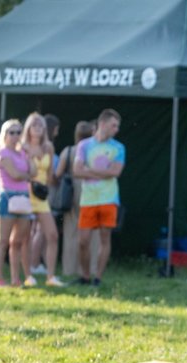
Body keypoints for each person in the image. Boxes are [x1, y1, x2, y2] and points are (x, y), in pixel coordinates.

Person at [73, 109, 125, 287]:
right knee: (83, 241)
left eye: (117, 126)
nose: (116, 129)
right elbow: (77, 170)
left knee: (105, 238)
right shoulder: (84, 145)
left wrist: (89, 170)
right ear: (102, 124)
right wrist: (104, 172)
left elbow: (115, 172)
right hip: (88, 200)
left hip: (109, 199)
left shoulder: (118, 148)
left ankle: (98, 277)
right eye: (113, 125)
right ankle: (85, 275)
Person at [21, 112, 62, 287]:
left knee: (52, 234)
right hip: (26, 193)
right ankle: (28, 275)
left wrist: (47, 189)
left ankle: (50, 276)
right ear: (28, 128)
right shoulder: (22, 147)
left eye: (40, 125)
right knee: (25, 237)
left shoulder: (48, 147)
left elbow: (51, 174)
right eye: (34, 125)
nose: (37, 128)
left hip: (42, 196)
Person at [0, 119, 34, 288]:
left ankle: (15, 279)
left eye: (18, 132)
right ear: (4, 135)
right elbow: (15, 174)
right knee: (3, 240)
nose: (16, 136)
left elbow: (34, 171)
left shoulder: (22, 153)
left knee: (17, 242)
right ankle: (0, 279)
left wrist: (29, 155)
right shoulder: (1, 153)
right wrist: (27, 176)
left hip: (23, 198)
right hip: (8, 197)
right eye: (12, 132)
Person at [56, 120, 95, 277]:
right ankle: (90, 268)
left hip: (72, 192)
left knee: (71, 231)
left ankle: (69, 268)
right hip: (91, 191)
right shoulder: (94, 151)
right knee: (92, 232)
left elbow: (58, 173)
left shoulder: (68, 151)